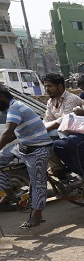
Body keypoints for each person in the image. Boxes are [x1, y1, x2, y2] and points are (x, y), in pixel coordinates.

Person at [0, 84, 54, 228]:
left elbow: (7, 132)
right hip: (24, 146)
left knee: (37, 181)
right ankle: (9, 192)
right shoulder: (13, 107)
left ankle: (37, 214)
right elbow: (13, 134)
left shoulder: (15, 108)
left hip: (39, 148)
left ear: (1, 97)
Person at [41, 72, 83, 176]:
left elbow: (65, 120)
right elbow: (47, 120)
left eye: (49, 86)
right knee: (41, 142)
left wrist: (46, 129)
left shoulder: (71, 99)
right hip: (60, 132)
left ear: (59, 86)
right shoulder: (51, 102)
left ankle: (61, 168)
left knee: (46, 138)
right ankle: (57, 168)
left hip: (75, 132)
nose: (47, 89)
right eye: (45, 86)